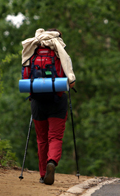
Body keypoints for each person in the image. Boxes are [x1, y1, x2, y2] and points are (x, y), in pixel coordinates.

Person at [21, 28, 76, 185]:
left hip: (37, 102)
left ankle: (43, 174)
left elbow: (25, 76)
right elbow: (71, 82)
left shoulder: (32, 50)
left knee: (41, 139)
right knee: (55, 137)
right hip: (57, 100)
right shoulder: (60, 53)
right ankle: (52, 161)